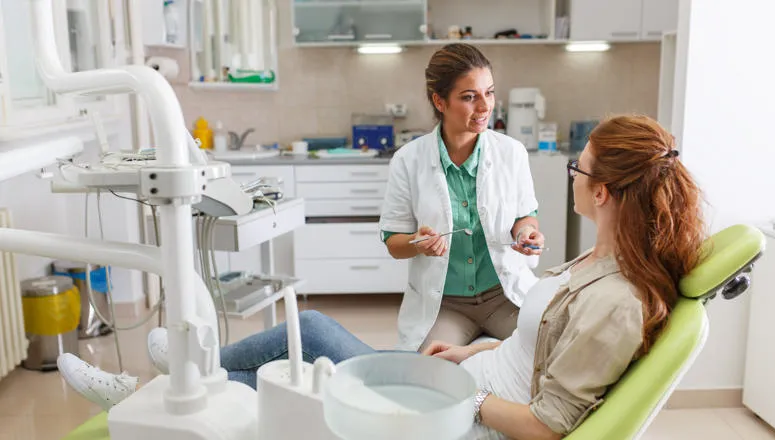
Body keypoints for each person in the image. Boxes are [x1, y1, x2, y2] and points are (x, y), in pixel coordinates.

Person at [59, 114, 706, 439]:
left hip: (448, 419)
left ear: (605, 193)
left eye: (579, 170)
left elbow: (548, 425)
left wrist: (463, 395)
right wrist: (473, 354)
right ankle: (181, 373)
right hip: (455, 383)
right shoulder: (598, 262)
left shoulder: (619, 301)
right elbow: (531, 353)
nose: (573, 179)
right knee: (308, 329)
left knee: (291, 393)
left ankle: (152, 404)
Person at [380, 43, 546, 352]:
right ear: (439, 101)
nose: (485, 107)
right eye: (469, 97)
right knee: (430, 375)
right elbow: (394, 243)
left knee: (545, 354)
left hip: (503, 297)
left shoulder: (511, 153)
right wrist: (418, 242)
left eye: (489, 93)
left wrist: (525, 232)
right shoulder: (408, 160)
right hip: (446, 305)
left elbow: (526, 215)